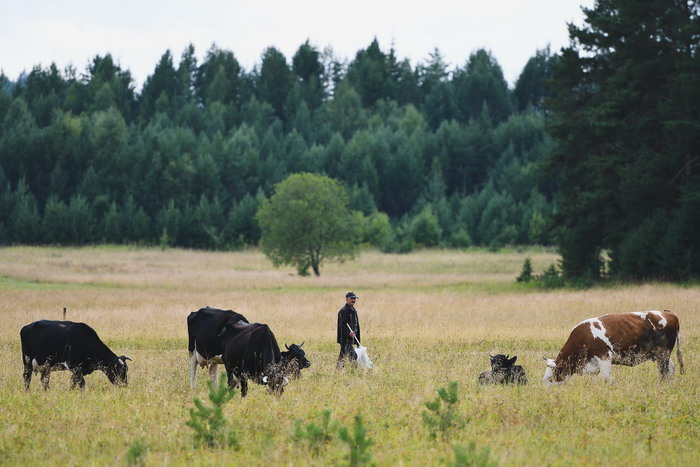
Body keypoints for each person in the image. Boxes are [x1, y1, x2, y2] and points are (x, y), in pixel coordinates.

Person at [337, 291, 361, 368]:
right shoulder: (343, 311)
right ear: (347, 299)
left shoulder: (353, 310)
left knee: (342, 356)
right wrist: (348, 333)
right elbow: (342, 325)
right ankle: (354, 371)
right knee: (353, 356)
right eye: (352, 298)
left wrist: (358, 341)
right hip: (345, 339)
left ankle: (339, 370)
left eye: (354, 298)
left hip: (352, 338)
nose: (353, 300)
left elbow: (356, 325)